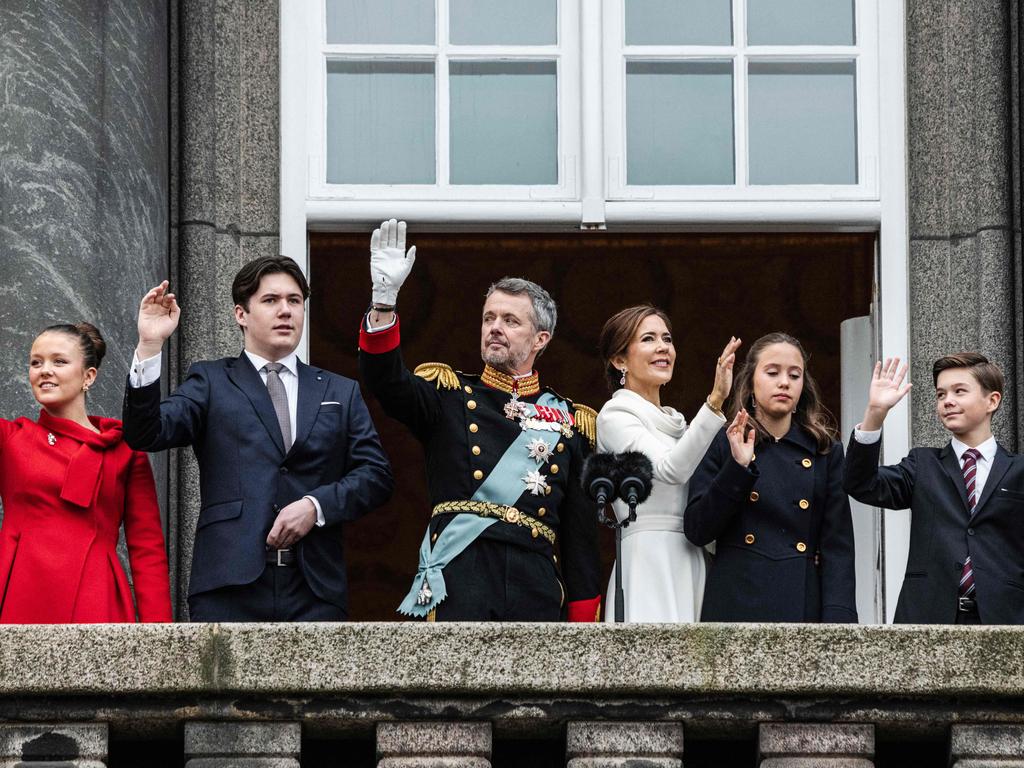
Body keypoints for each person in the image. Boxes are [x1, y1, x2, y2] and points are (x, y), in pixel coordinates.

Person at [122, 256, 393, 621]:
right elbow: (147, 433)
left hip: (315, 589)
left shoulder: (339, 390)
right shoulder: (211, 381)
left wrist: (316, 505)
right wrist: (150, 346)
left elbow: (376, 475)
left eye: (294, 301)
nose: (286, 311)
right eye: (271, 300)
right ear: (241, 314)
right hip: (228, 587)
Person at [359, 219, 602, 621]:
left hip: (535, 587)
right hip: (460, 577)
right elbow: (386, 382)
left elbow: (580, 542)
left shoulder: (573, 423)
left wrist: (581, 628)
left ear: (540, 339)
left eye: (510, 320)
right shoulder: (448, 395)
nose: (495, 328)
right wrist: (384, 303)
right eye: (489, 318)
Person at [0, 323, 171, 623]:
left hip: (96, 597)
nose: (44, 370)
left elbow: (147, 550)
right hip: (20, 593)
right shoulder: (11, 438)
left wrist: (160, 637)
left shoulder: (124, 450)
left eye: (59, 361)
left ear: (88, 376)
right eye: (36, 362)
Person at [684, 332, 857, 623]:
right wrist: (737, 468)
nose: (784, 382)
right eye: (772, 372)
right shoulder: (724, 440)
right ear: (751, 381)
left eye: (794, 374)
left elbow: (837, 547)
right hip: (735, 600)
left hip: (801, 602)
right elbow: (698, 529)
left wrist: (839, 624)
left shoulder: (825, 450)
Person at [843, 353, 1024, 625]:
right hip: (928, 615)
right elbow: (861, 484)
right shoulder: (923, 464)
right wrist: (875, 415)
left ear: (992, 400)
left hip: (1006, 617)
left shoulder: (1019, 470)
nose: (947, 401)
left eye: (959, 391)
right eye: (941, 394)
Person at [595, 305, 739, 622]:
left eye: (667, 339)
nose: (663, 347)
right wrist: (715, 401)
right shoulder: (615, 416)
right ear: (620, 360)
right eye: (648, 339)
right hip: (648, 559)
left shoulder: (681, 425)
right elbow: (668, 470)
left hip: (694, 556)